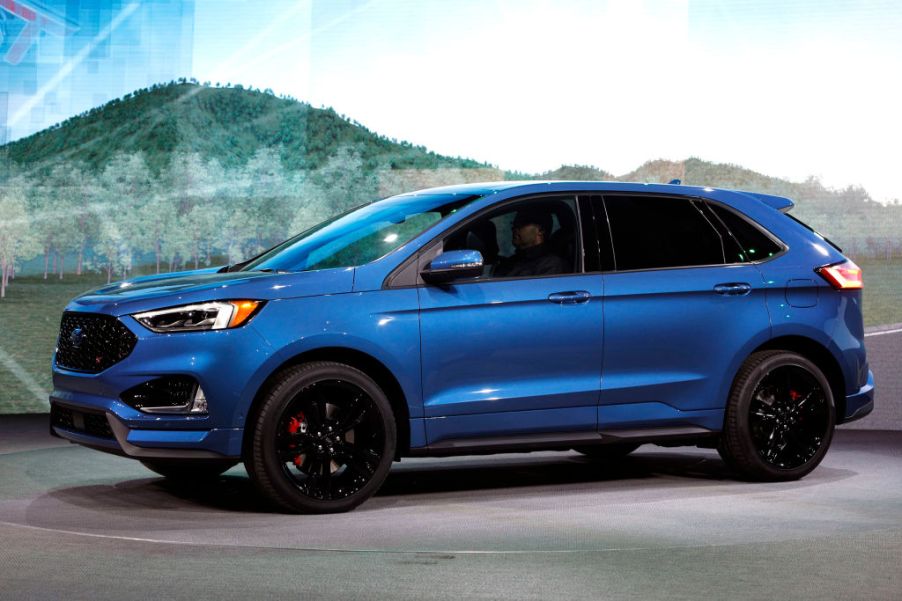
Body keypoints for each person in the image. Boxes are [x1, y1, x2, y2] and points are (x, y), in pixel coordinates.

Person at [493, 208, 568, 277]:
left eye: (521, 224)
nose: (514, 228)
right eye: (514, 224)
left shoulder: (551, 264)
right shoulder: (513, 261)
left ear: (541, 230)